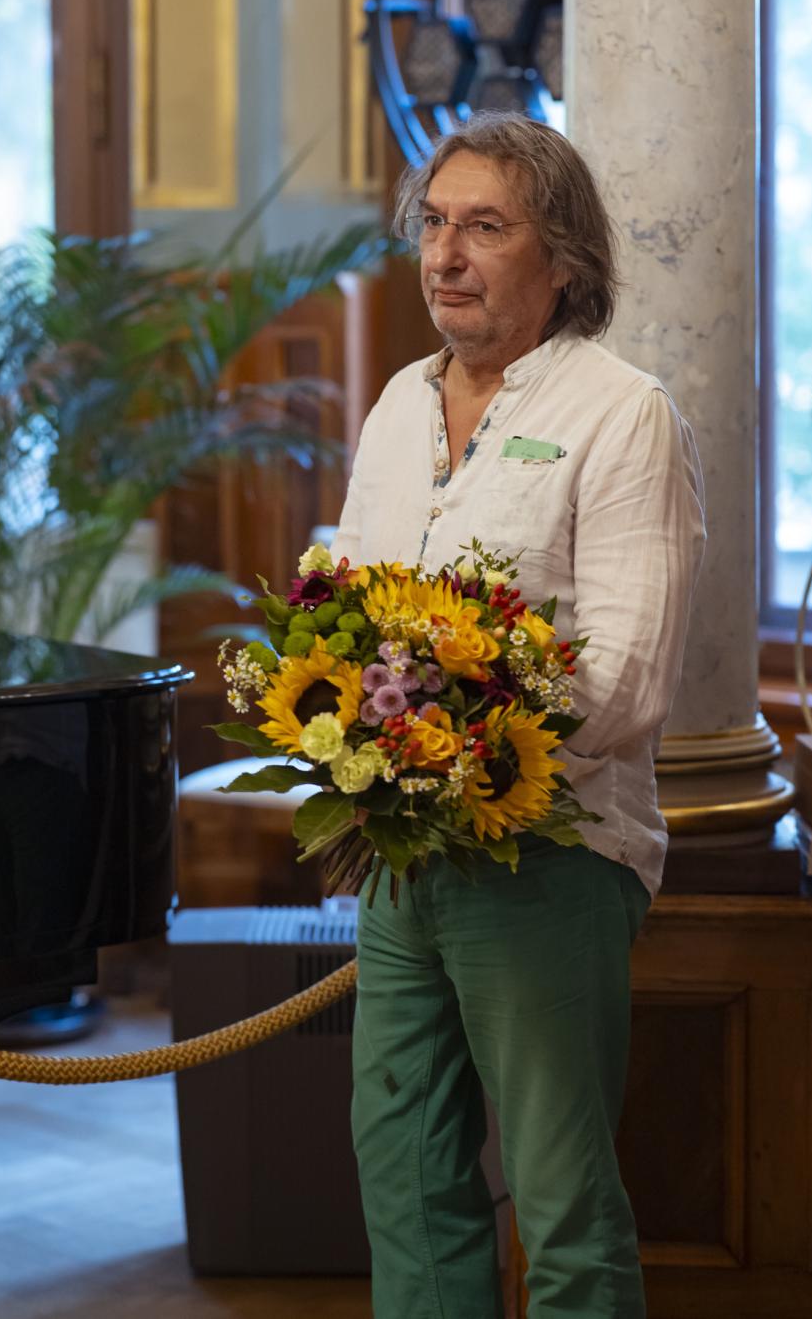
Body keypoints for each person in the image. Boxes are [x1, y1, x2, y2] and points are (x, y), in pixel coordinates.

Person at [328, 112, 706, 1319]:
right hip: (400, 857)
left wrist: (453, 751)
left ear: (564, 258)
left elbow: (627, 681)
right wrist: (368, 746)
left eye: (484, 228)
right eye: (434, 224)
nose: (445, 256)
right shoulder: (397, 404)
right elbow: (345, 618)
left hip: (552, 853)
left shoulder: (622, 412)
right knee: (405, 1177)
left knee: (560, 1203)